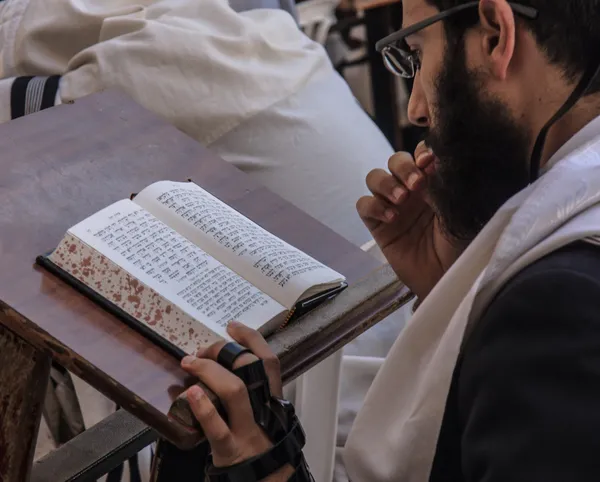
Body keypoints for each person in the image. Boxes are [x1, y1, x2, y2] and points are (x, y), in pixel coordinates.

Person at [178, 0, 600, 480]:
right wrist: (449, 289)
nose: (418, 108)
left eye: (417, 55)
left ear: (495, 35)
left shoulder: (554, 310)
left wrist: (267, 467)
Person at [0, 0, 393, 249]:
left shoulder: (141, 64)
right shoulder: (263, 31)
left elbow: (23, 97)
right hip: (408, 313)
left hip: (328, 360)